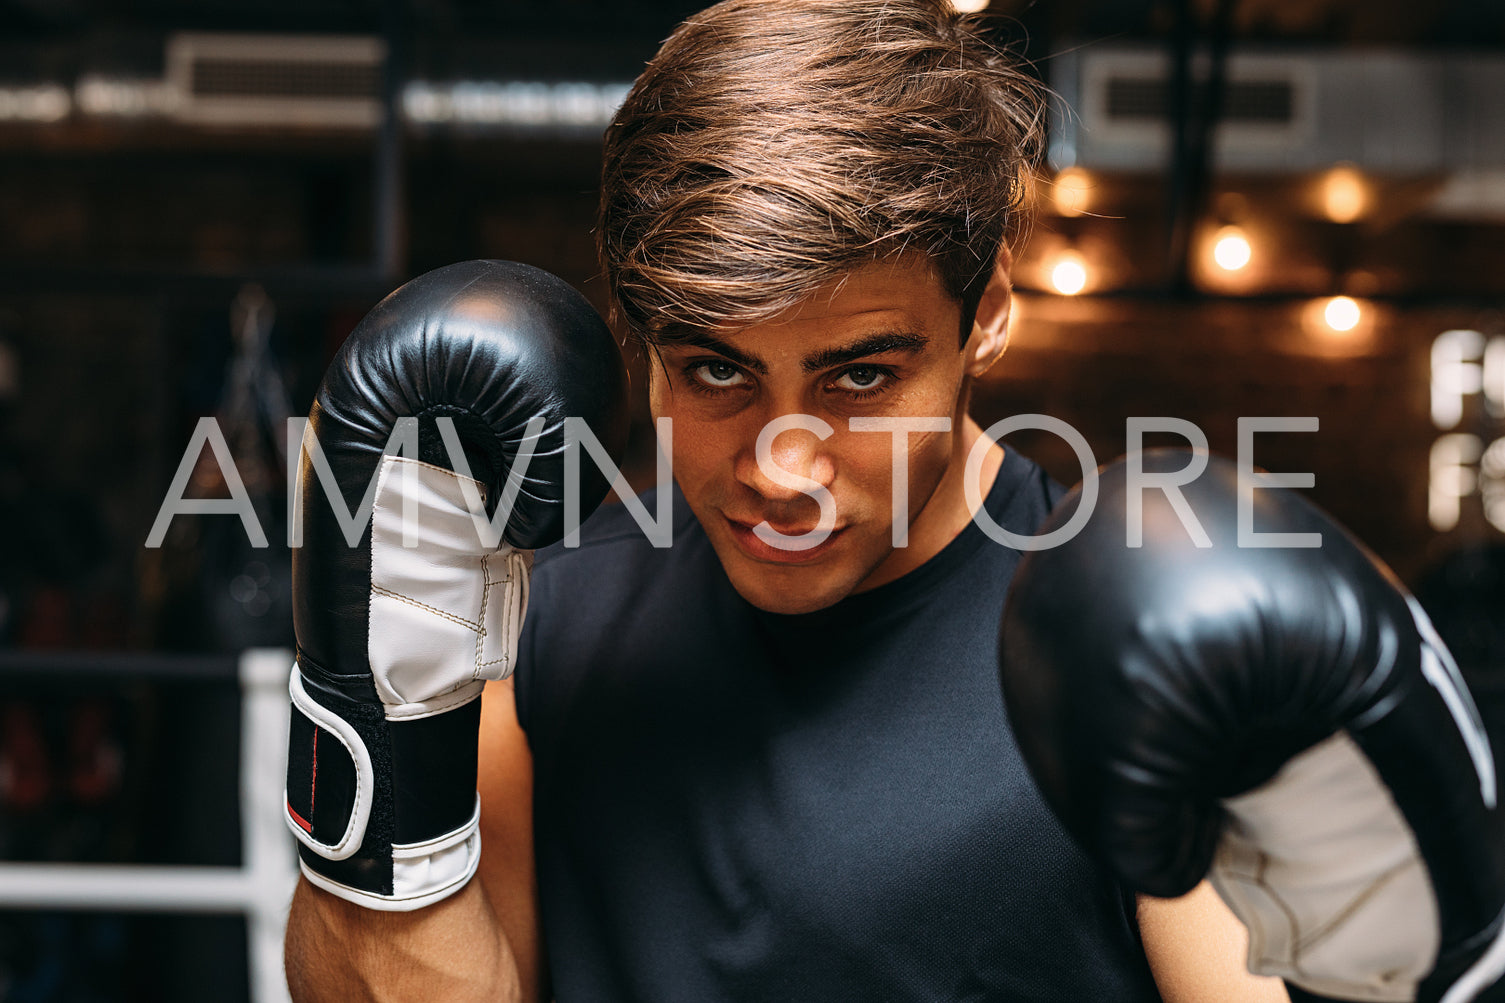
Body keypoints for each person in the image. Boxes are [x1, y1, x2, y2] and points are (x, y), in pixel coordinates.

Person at [282, 1, 1291, 999]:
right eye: (717, 373)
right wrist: (368, 707)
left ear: (983, 316)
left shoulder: (1144, 664)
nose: (780, 470)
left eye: (857, 378)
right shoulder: (544, 627)